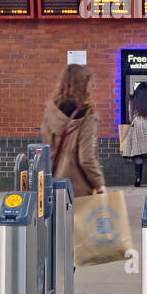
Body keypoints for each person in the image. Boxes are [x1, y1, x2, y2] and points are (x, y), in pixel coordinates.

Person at [41, 63, 106, 198]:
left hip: (51, 185)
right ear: (84, 86)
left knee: (56, 219)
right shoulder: (88, 116)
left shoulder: (51, 112)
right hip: (77, 188)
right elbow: (86, 158)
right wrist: (99, 183)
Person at [120, 82, 147, 187]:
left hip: (137, 124)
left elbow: (130, 117)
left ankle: (138, 179)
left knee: (137, 152)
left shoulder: (132, 100)